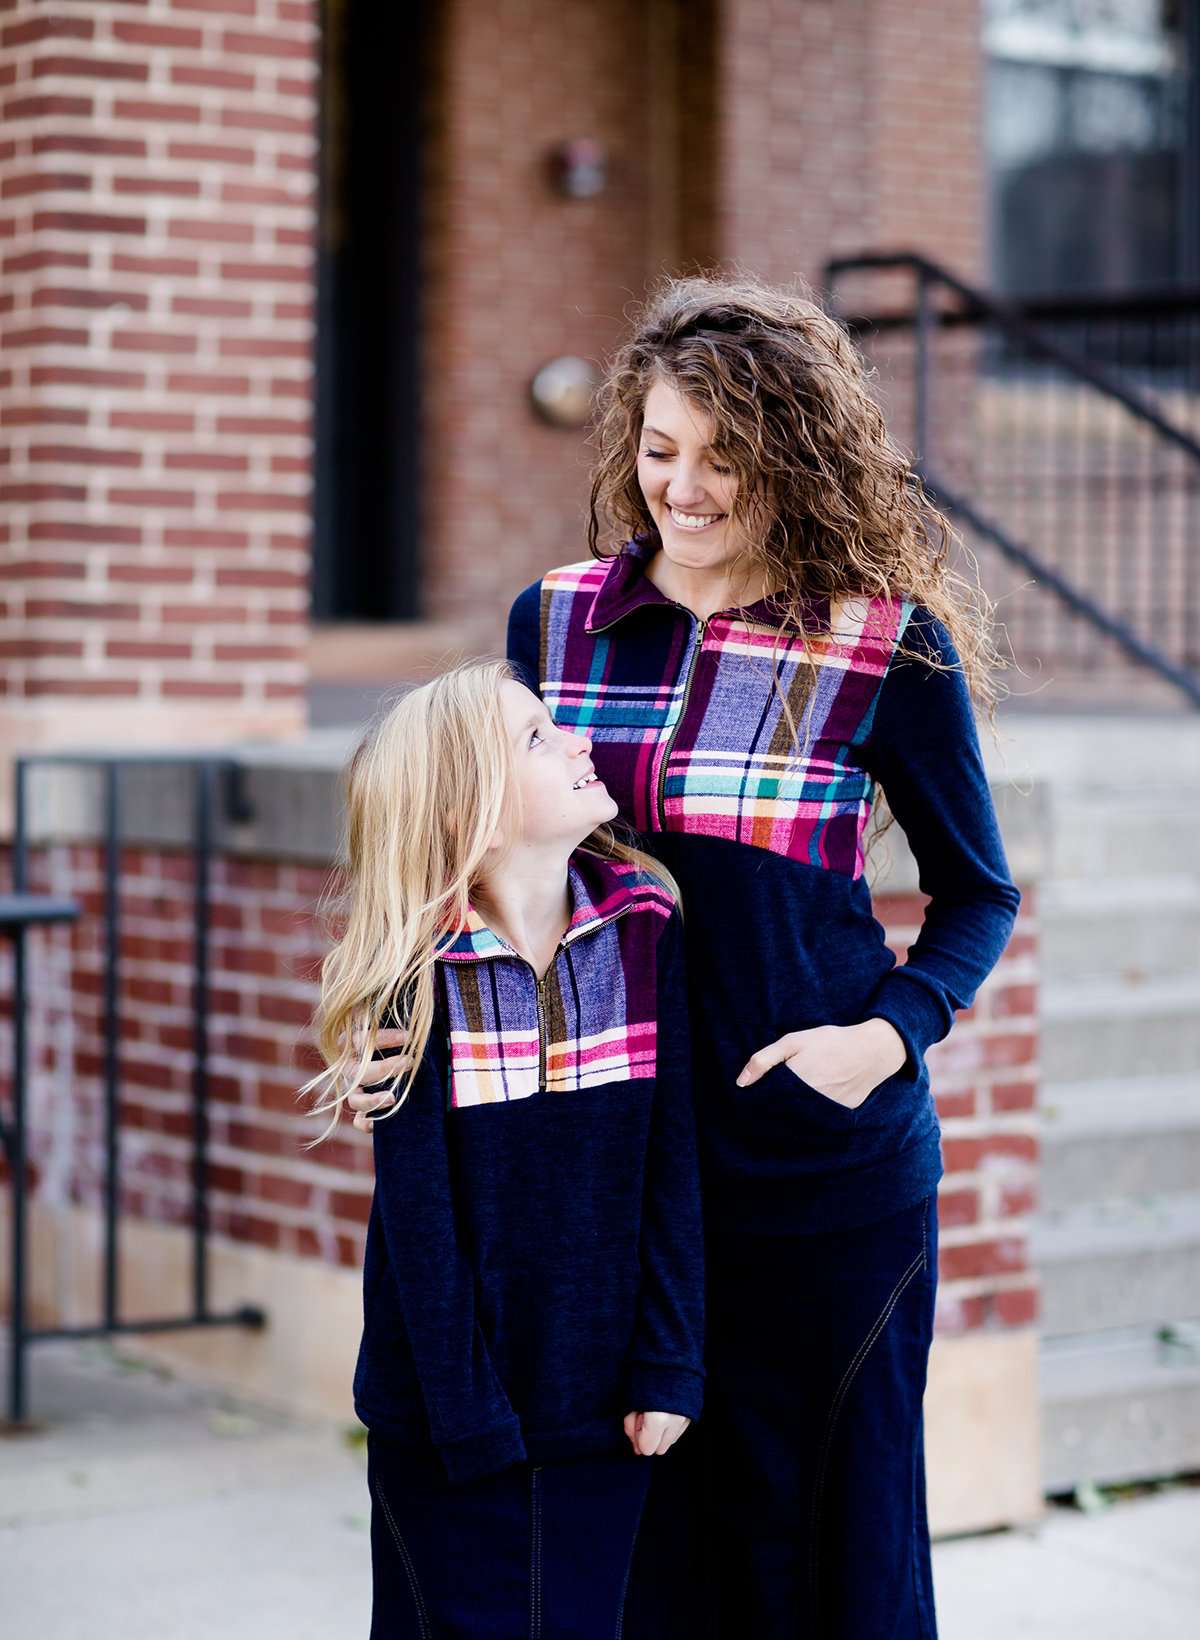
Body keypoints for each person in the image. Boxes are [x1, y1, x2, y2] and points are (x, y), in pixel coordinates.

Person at [352, 273, 1021, 1636]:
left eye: (728, 459)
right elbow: (477, 849)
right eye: (661, 451)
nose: (687, 488)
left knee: (836, 1546)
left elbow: (976, 895)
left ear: (797, 461)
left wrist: (880, 1037)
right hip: (613, 1186)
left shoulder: (887, 644)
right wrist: (401, 1021)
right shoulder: (558, 620)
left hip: (819, 1178)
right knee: (647, 1566)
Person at [307, 660, 705, 1640]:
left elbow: (672, 1164)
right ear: (471, 817)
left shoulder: (643, 929)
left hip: (601, 1407)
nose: (577, 739)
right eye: (536, 736)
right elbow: (421, 1232)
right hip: (448, 1421)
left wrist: (670, 1362)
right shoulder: (420, 979)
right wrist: (470, 1419)